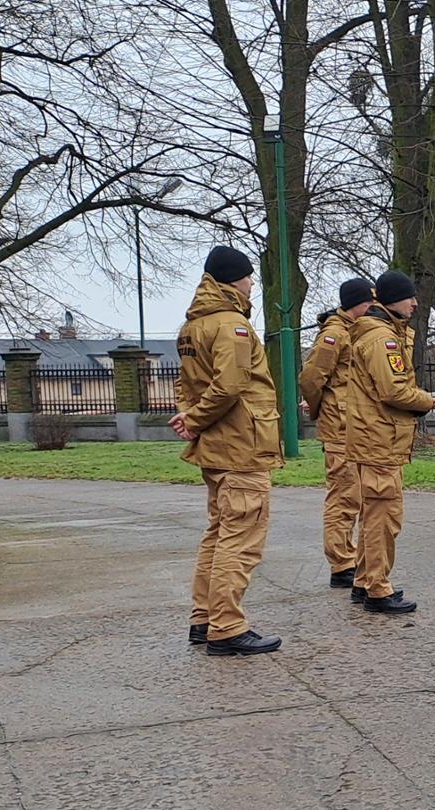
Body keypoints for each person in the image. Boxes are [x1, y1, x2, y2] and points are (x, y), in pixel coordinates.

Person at [174, 246, 283, 655]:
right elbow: (231, 385)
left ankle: (204, 619)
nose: (253, 282)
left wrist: (190, 415)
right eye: (249, 275)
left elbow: (186, 383)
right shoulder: (232, 324)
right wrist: (196, 418)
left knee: (219, 534)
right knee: (241, 539)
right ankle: (227, 627)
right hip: (241, 445)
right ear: (234, 279)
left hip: (217, 447)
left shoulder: (192, 326)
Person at [341, 270, 435, 615]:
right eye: (410, 297)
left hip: (375, 437)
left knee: (374, 514)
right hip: (379, 439)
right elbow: (394, 390)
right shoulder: (383, 339)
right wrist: (428, 400)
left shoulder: (378, 332)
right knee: (384, 517)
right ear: (394, 299)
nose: (414, 303)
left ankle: (365, 580)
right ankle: (378, 589)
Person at [298, 277, 375, 590]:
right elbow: (311, 378)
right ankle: (341, 563)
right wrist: (323, 408)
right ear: (359, 303)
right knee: (344, 495)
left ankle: (348, 559)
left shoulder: (354, 331)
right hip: (340, 426)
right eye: (370, 302)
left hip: (354, 424)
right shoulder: (335, 334)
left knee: (355, 495)